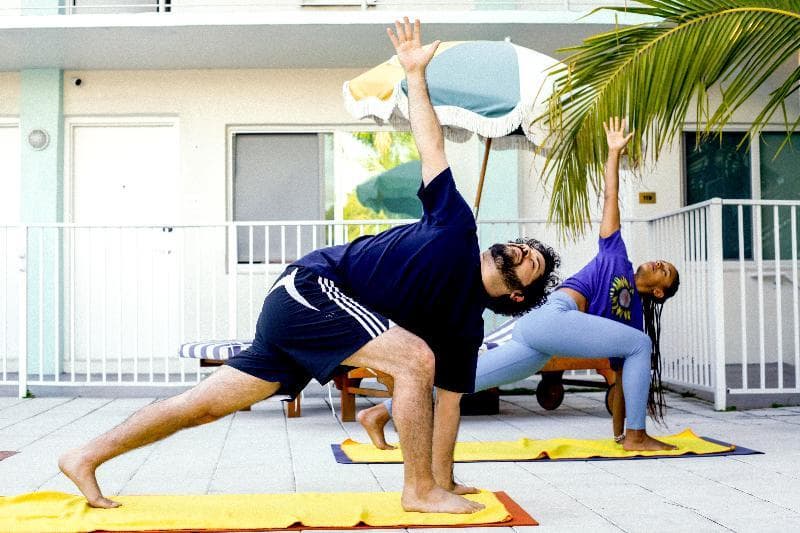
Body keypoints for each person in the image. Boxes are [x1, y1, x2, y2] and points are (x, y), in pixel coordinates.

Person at [58, 18, 559, 514]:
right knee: (414, 359)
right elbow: (432, 146)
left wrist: (449, 479)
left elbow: (448, 405)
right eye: (520, 245)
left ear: (517, 294)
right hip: (311, 289)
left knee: (204, 406)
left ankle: (85, 456)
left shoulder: (464, 329)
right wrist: (415, 74)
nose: (518, 250)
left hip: (317, 324)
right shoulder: (455, 227)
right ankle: (418, 490)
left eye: (529, 261)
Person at [358, 117, 681, 452]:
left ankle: (378, 413)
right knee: (640, 344)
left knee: (465, 379)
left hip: (538, 343)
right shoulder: (617, 256)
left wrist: (619, 434)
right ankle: (638, 436)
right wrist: (613, 153)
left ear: (659, 292)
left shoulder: (631, 323)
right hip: (553, 315)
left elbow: (624, 381)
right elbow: (611, 197)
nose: (660, 264)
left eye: (666, 272)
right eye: (663, 262)